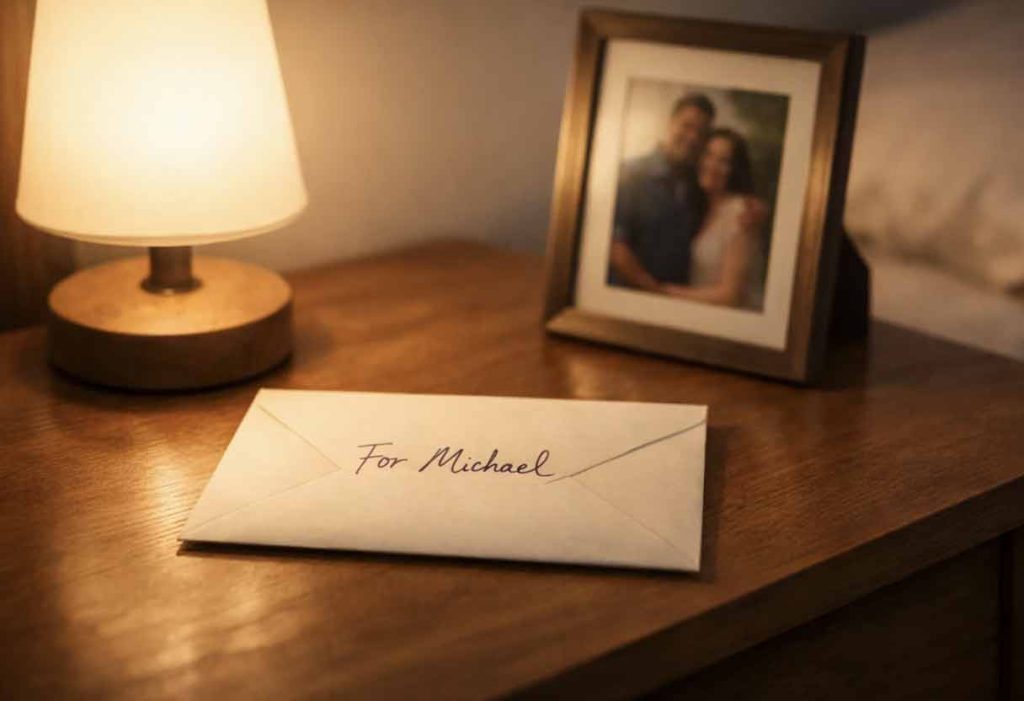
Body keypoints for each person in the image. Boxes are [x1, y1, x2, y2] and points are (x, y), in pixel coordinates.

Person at [608, 93, 715, 291]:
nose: (693, 138)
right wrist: (655, 292)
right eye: (687, 126)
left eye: (701, 133)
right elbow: (614, 245)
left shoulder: (700, 186)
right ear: (670, 123)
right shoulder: (630, 174)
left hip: (678, 305)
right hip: (627, 298)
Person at [662, 128, 766, 309]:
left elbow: (731, 296)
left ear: (735, 170)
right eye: (708, 155)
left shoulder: (740, 213)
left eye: (723, 161)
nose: (711, 165)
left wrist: (665, 292)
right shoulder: (701, 208)